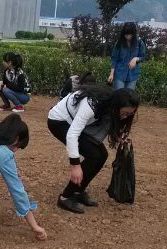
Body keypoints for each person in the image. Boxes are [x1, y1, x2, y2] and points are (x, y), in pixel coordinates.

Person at [48, 86, 140, 214]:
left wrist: (117, 136)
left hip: (73, 121)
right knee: (94, 155)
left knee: (102, 155)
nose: (125, 117)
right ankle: (66, 197)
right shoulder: (91, 105)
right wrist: (75, 165)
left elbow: (108, 119)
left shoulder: (111, 102)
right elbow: (72, 135)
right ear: (117, 106)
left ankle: (78, 191)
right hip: (59, 121)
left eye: (129, 114)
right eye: (124, 113)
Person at [108, 22, 147, 90]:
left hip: (133, 75)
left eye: (130, 34)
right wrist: (111, 74)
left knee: (129, 95)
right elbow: (114, 58)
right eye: (126, 34)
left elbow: (143, 56)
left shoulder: (139, 42)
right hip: (119, 74)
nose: (128, 36)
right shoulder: (119, 42)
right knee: (119, 95)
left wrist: (136, 59)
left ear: (133, 33)